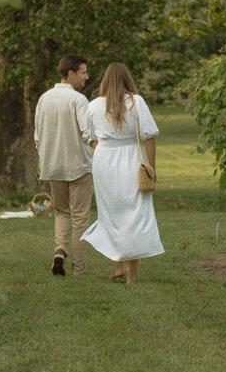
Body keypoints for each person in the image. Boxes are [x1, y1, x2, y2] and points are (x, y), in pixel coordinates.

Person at [80, 63, 164, 284]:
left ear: (105, 81)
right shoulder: (137, 102)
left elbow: (91, 138)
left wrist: (103, 153)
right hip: (130, 158)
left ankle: (119, 266)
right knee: (134, 213)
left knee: (111, 212)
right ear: (127, 79)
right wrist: (151, 168)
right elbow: (149, 136)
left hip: (104, 159)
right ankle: (130, 277)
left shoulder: (94, 105)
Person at [34, 54, 95, 276]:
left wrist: (45, 166)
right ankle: (78, 269)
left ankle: (60, 250)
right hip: (78, 166)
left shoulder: (44, 99)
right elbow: (88, 133)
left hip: (54, 167)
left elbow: (38, 136)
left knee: (61, 212)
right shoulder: (78, 100)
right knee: (80, 219)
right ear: (71, 74)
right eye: (83, 72)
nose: (86, 77)